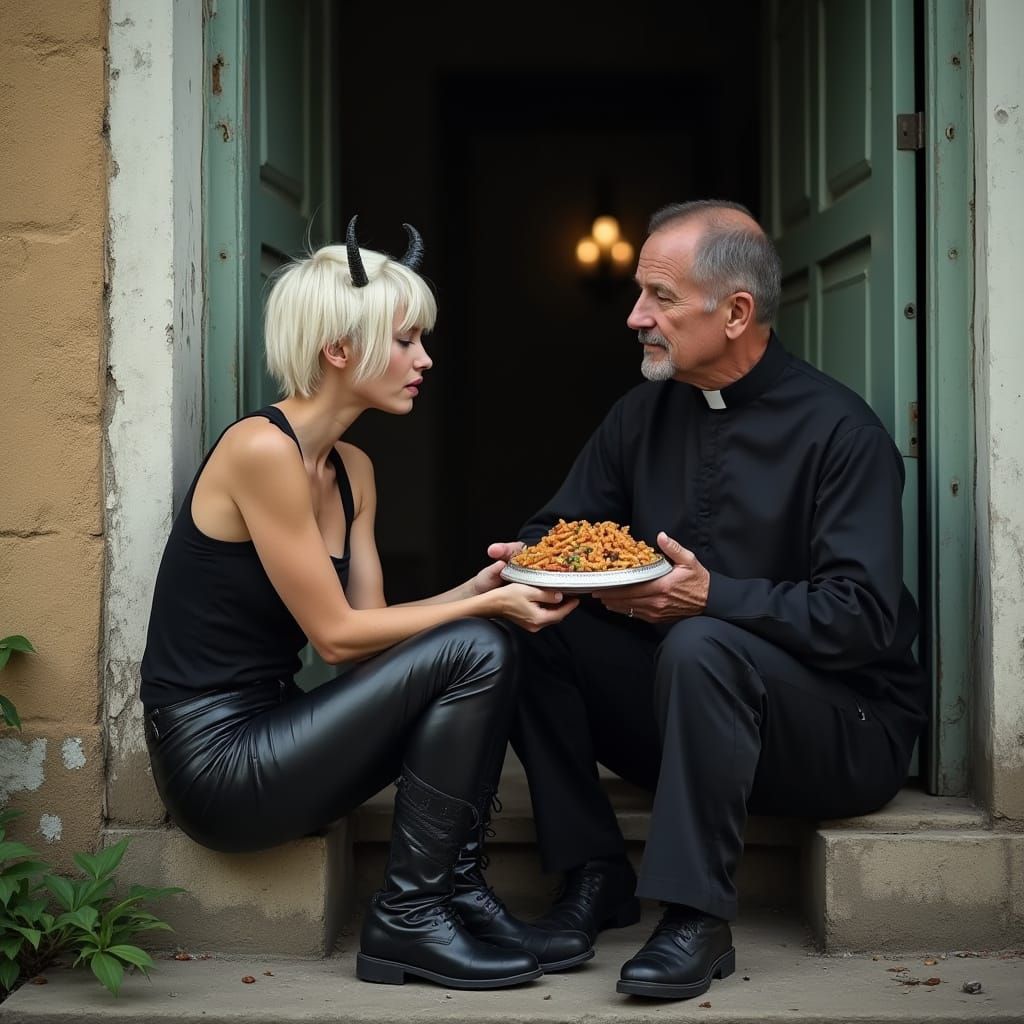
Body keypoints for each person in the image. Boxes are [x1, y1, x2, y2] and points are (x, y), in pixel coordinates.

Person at [486, 199, 929, 1000]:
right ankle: (593, 874)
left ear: (736, 312)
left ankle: (694, 916)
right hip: (683, 715)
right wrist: (534, 563)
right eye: (637, 294)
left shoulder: (841, 432)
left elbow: (861, 618)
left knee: (702, 643)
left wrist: (713, 598)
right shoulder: (642, 414)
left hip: (838, 733)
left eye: (659, 297)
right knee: (523, 623)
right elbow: (556, 527)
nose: (634, 318)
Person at [138, 217, 593, 991]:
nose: (426, 359)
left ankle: (451, 888)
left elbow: (379, 647)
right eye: (408, 340)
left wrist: (483, 591)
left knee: (493, 642)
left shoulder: (352, 469)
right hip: (218, 765)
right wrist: (479, 615)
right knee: (482, 643)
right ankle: (409, 917)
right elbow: (339, 639)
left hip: (283, 725)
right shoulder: (260, 451)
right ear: (340, 350)